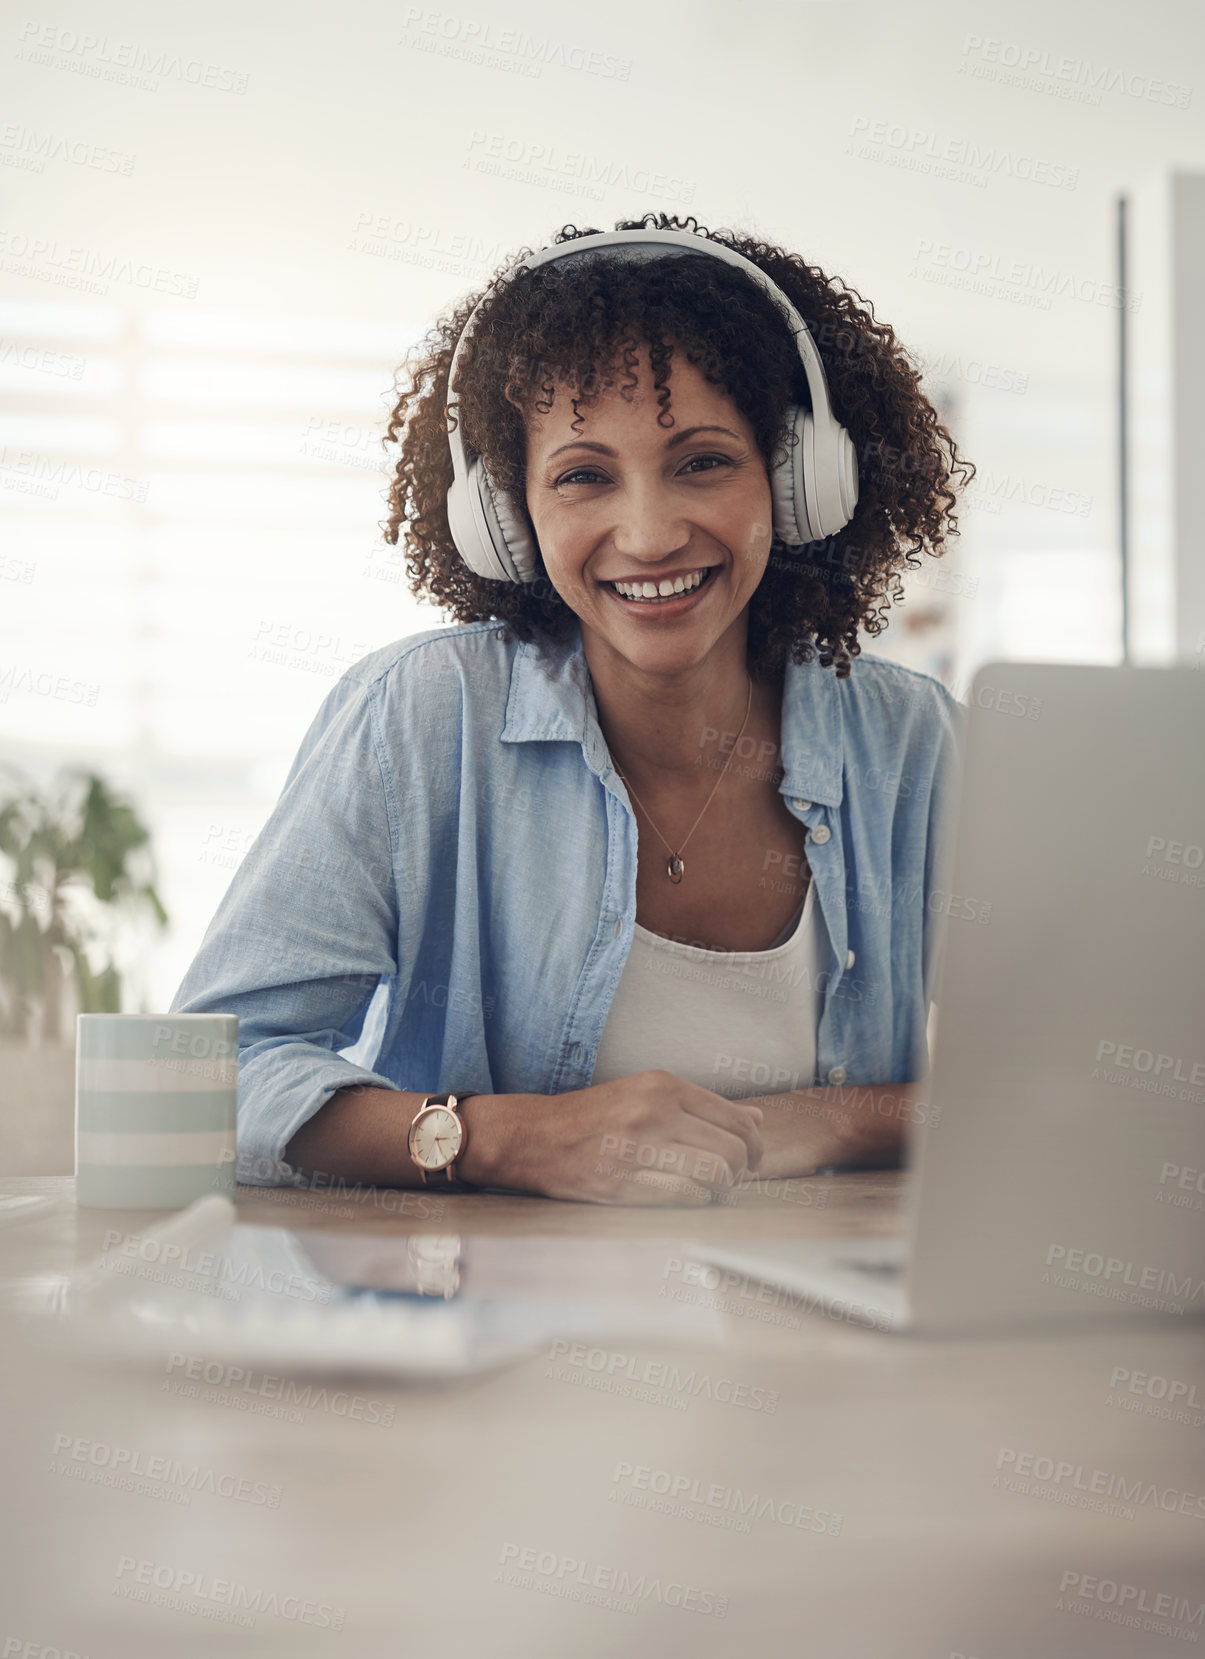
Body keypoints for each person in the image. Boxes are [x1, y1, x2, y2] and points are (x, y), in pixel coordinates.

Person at [170, 210, 973, 1207]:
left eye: (702, 462)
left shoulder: (910, 744)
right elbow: (212, 1079)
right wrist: (502, 1137)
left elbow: (1060, 1086)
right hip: (491, 1335)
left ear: (798, 481)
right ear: (506, 518)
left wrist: (798, 1124)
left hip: (827, 1338)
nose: (645, 533)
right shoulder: (422, 719)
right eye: (583, 476)